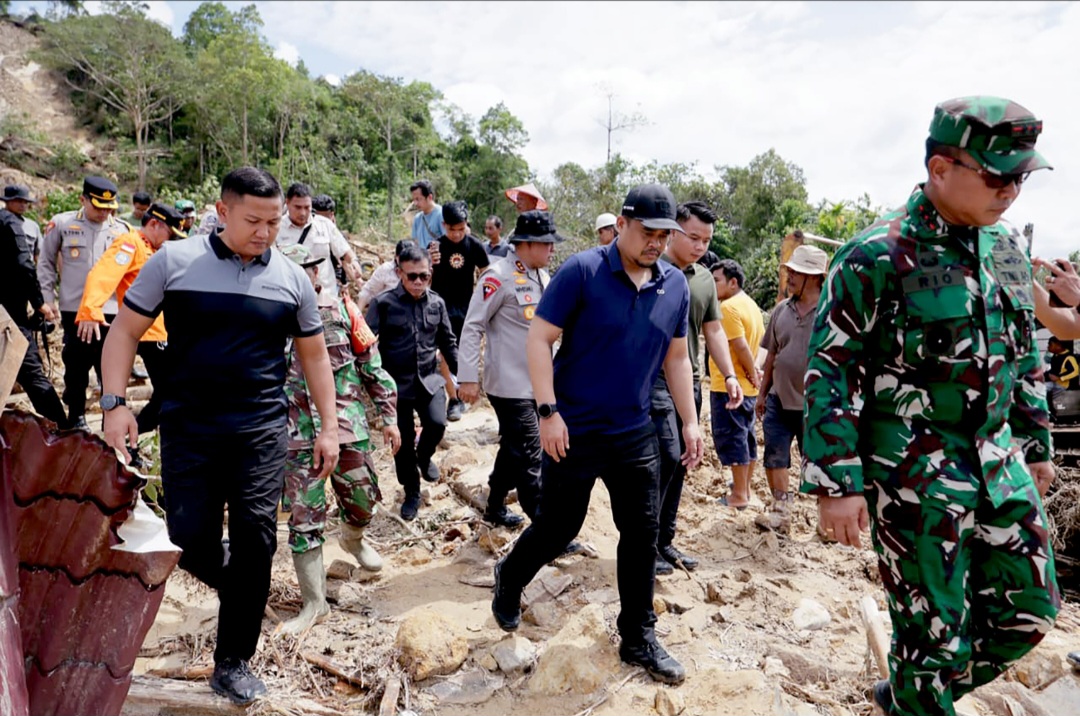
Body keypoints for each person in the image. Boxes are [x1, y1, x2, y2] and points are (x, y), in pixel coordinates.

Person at [802, 97, 1059, 716]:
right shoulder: (876, 254)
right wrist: (837, 482)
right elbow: (831, 368)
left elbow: (1023, 354)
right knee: (933, 638)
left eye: (1021, 178)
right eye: (997, 177)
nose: (1011, 191)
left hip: (997, 460)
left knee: (1030, 610)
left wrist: (1035, 443)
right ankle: (922, 693)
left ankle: (911, 696)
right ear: (940, 168)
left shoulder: (1005, 249)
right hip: (914, 472)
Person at [100, 167, 340, 706]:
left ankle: (232, 660)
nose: (265, 232)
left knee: (257, 538)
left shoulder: (292, 278)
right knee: (189, 540)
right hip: (190, 428)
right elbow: (125, 331)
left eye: (273, 222)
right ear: (223, 211)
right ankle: (244, 586)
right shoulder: (173, 261)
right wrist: (114, 404)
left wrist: (329, 427)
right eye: (253, 221)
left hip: (261, 430)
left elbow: (315, 357)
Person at [492, 183, 703, 686]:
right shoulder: (582, 271)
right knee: (558, 527)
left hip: (635, 431)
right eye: (647, 232)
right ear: (623, 224)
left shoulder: (673, 285)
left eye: (664, 235)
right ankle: (510, 576)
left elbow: (677, 358)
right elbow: (540, 339)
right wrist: (548, 412)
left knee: (642, 532)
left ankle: (638, 637)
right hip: (575, 429)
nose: (656, 243)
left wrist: (691, 420)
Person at [277, 243, 400, 635]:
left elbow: (371, 367)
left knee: (362, 499)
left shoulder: (344, 310)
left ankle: (353, 538)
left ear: (317, 272)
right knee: (304, 518)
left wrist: (390, 417)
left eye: (307, 269)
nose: (300, 276)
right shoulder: (267, 314)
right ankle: (315, 604)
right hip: (297, 432)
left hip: (347, 426)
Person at [650, 201, 743, 576]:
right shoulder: (651, 269)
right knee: (664, 458)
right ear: (673, 231)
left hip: (688, 381)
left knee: (681, 461)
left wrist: (730, 375)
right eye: (693, 237)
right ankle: (644, 544)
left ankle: (664, 541)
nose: (700, 246)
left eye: (706, 240)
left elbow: (714, 330)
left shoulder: (704, 279)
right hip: (651, 381)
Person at [458, 210, 562, 528]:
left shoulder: (543, 277)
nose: (552, 249)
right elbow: (473, 326)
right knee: (531, 453)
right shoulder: (497, 276)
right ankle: (546, 530)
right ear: (527, 244)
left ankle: (494, 507)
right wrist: (467, 377)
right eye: (547, 244)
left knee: (514, 447)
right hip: (510, 384)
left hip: (539, 385)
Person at [76, 203, 186, 447]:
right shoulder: (130, 243)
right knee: (170, 391)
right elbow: (102, 274)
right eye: (170, 234)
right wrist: (90, 309)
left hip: (161, 331)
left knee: (169, 391)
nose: (171, 240)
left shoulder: (156, 250)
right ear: (154, 224)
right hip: (146, 333)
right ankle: (127, 440)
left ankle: (129, 438)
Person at [365, 244, 457, 521]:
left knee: (437, 423)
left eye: (424, 276)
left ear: (430, 275)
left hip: (429, 380)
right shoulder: (383, 304)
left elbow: (447, 342)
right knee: (402, 443)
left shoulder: (437, 303)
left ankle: (424, 456)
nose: (418, 282)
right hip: (396, 386)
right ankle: (412, 492)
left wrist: (463, 377)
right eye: (412, 276)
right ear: (399, 273)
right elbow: (366, 343)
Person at [38, 176, 131, 431]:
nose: (104, 213)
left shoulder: (122, 230)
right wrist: (47, 298)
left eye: (109, 208)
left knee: (110, 367)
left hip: (111, 310)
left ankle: (110, 418)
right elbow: (45, 262)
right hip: (75, 309)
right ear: (83, 199)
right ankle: (77, 415)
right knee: (76, 364)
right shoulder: (63, 224)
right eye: (98, 206)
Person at [752, 244, 827, 533]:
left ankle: (825, 521)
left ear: (815, 277)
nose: (790, 277)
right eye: (790, 271)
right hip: (779, 399)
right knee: (775, 457)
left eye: (797, 272)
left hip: (816, 404)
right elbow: (772, 354)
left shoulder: (831, 312)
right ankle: (781, 511)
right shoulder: (782, 310)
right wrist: (762, 394)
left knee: (820, 461)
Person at [1, 188, 67, 427]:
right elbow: (25, 265)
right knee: (33, 375)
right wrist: (39, 304)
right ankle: (62, 432)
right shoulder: (11, 224)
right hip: (9, 315)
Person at [708, 259, 764, 510]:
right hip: (747, 387)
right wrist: (755, 375)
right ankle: (744, 489)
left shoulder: (728, 307)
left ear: (733, 282)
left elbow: (740, 346)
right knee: (746, 438)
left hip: (730, 387)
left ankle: (739, 495)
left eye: (716, 280)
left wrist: (751, 373)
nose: (712, 285)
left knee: (735, 439)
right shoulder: (751, 305)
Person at [429, 200, 490, 422]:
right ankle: (453, 398)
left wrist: (484, 303)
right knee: (445, 353)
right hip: (440, 308)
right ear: (444, 225)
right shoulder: (435, 247)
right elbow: (425, 279)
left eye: (461, 229)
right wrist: (429, 263)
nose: (456, 234)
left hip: (466, 308)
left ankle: (464, 391)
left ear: (467, 225)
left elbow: (487, 275)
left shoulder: (475, 246)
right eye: (451, 229)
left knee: (465, 352)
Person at [275, 183, 361, 299]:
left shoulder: (325, 225)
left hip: (325, 297)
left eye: (307, 207)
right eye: (298, 207)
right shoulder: (276, 227)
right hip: (288, 296)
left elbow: (345, 252)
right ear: (287, 203)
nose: (303, 213)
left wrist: (354, 262)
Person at [357, 239, 413, 313]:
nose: (406, 262)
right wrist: (358, 315)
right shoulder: (386, 270)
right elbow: (368, 292)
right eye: (403, 259)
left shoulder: (420, 273)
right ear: (396, 256)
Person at [2, 184, 42, 261]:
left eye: (25, 202)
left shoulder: (32, 226)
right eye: (19, 201)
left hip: (26, 267)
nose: (23, 205)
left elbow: (38, 255)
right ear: (8, 201)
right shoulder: (2, 223)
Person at [409, 180, 443, 250]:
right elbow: (415, 243)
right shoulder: (417, 218)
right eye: (414, 200)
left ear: (429, 197)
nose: (415, 203)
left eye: (418, 199)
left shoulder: (441, 214)